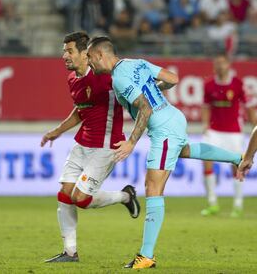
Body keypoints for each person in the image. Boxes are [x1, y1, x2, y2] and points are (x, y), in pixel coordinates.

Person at [86, 36, 243, 269]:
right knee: (185, 151)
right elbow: (173, 79)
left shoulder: (119, 78)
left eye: (89, 57)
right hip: (173, 116)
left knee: (152, 188)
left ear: (100, 54)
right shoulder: (136, 62)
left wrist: (131, 142)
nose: (89, 63)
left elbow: (145, 107)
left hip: (163, 127)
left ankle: (146, 255)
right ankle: (238, 158)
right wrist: (152, 90)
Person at [41, 31, 140, 263]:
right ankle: (70, 252)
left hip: (106, 145)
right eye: (64, 50)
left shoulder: (107, 77)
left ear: (85, 54)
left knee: (81, 199)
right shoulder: (72, 79)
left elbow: (136, 93)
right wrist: (57, 131)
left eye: (69, 51)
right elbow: (81, 110)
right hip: (82, 143)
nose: (64, 55)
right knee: (65, 193)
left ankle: (126, 196)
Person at [201, 54, 256, 218]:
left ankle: (238, 205)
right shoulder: (208, 85)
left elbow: (248, 106)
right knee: (206, 163)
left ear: (228, 65)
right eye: (217, 63)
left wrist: (254, 124)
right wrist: (205, 125)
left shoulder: (238, 84)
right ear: (214, 66)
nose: (219, 66)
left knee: (237, 166)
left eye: (222, 63)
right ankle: (212, 203)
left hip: (233, 132)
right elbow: (205, 106)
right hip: (214, 131)